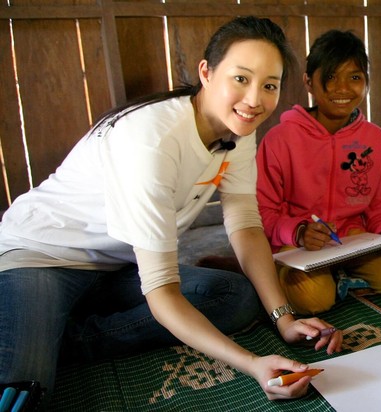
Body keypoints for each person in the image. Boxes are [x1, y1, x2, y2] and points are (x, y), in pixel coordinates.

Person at [0, 16, 342, 401]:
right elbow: (161, 292)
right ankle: (45, 332)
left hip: (118, 264)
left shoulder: (238, 127)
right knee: (22, 390)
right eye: (241, 79)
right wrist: (252, 364)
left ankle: (63, 335)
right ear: (206, 73)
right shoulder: (152, 142)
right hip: (42, 257)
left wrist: (284, 318)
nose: (254, 100)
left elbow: (245, 223)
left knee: (238, 299)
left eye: (269, 86)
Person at [255, 29, 381, 315]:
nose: (343, 88)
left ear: (367, 83)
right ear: (309, 82)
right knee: (313, 300)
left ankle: (341, 275)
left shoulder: (375, 139)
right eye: (330, 77)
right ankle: (313, 277)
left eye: (354, 77)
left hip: (353, 239)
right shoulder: (279, 139)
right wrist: (299, 231)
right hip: (299, 244)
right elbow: (263, 213)